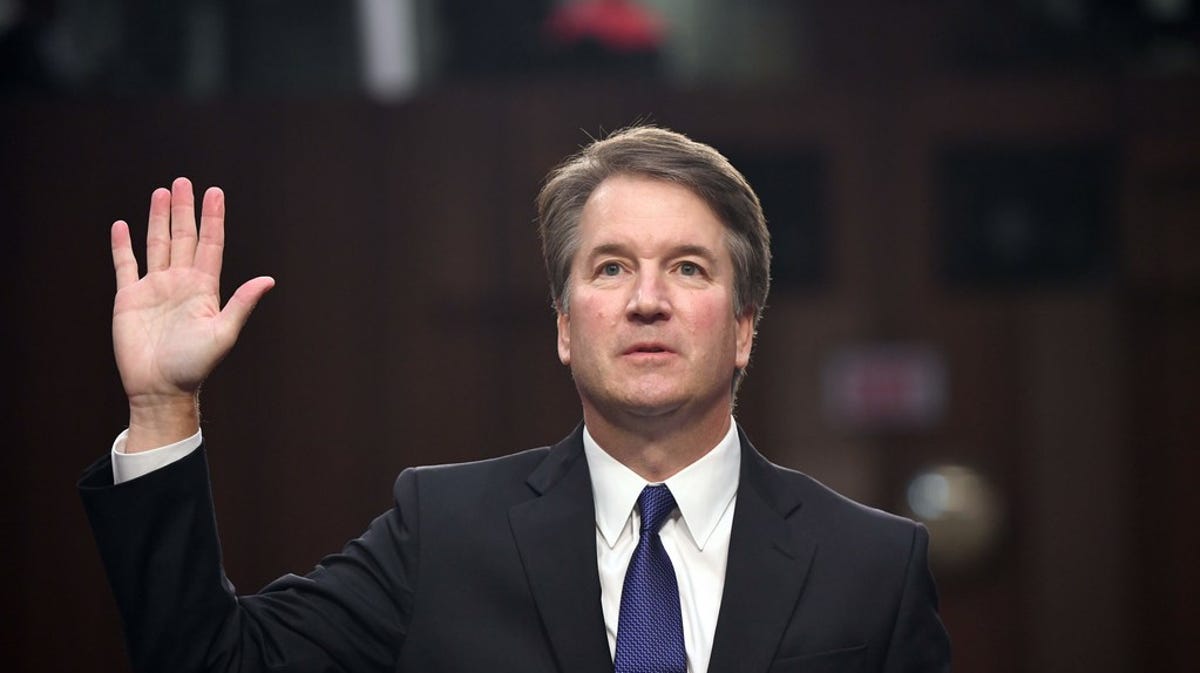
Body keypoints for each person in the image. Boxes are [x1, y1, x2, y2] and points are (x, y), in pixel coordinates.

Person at [80, 126, 951, 672]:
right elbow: (211, 661)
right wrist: (162, 406)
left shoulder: (870, 566)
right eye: (610, 267)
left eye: (687, 267)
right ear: (566, 326)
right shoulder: (443, 531)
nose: (647, 299)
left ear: (744, 328)